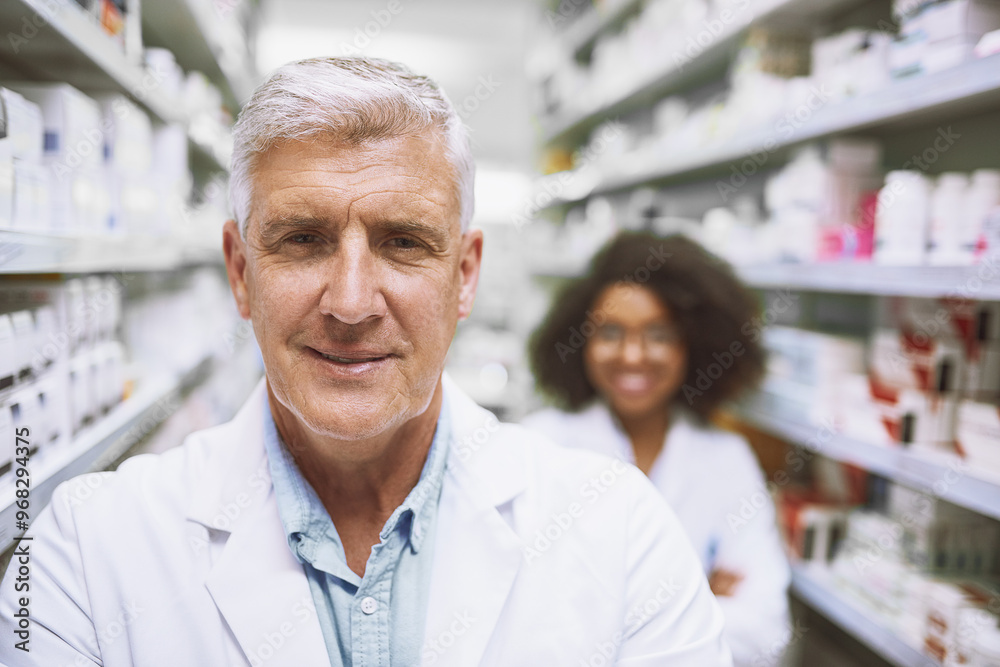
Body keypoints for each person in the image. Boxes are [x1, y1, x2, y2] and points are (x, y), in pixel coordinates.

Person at [0, 58, 732, 666]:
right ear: (239, 270)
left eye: (404, 242)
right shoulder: (84, 551)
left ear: (465, 275)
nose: (350, 304)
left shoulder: (622, 531)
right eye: (302, 239)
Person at [523, 231, 792, 666]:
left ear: (693, 346)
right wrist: (698, 599)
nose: (633, 356)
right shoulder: (541, 444)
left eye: (658, 334)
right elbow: (520, 620)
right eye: (611, 332)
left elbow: (764, 630)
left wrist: (600, 616)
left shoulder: (726, 459)